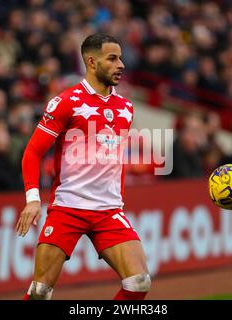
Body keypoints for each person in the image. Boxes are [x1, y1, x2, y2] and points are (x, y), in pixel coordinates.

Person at [16, 34, 151, 300]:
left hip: (108, 211)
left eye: (121, 58)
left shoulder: (125, 108)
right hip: (69, 207)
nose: (121, 64)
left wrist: (118, 200)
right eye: (112, 58)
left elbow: (117, 159)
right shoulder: (66, 102)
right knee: (40, 292)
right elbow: (32, 152)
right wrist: (33, 199)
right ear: (91, 61)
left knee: (139, 283)